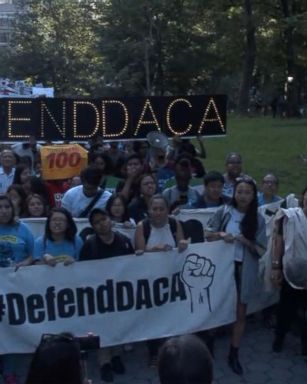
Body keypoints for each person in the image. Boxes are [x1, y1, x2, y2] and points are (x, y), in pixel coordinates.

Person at [205, 177, 267, 375]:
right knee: (216, 307)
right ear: (234, 193)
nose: (242, 196)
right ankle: (209, 347)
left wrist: (245, 241)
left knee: (240, 313)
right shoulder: (224, 211)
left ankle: (234, 353)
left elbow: (261, 249)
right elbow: (207, 232)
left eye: (247, 192)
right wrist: (221, 235)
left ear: (253, 196)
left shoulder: (258, 219)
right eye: (239, 191)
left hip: (243, 269)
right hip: (223, 268)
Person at [79, 208, 134, 383]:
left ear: (110, 219)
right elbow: (82, 271)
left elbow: (134, 267)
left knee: (118, 325)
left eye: (103, 219)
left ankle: (116, 355)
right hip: (98, 295)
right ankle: (105, 363)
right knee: (102, 327)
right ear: (93, 227)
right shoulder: (89, 244)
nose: (101, 224)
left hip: (119, 294)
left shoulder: (124, 241)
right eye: (97, 222)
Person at [135, 194, 188, 365]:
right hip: (151, 280)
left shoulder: (174, 223)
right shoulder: (142, 227)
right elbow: (138, 252)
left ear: (167, 210)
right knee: (153, 317)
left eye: (161, 209)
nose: (158, 212)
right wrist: (155, 249)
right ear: (149, 210)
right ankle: (154, 352)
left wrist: (182, 245)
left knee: (173, 315)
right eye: (154, 209)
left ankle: (175, 349)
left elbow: (181, 244)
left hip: (172, 279)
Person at [0, 195, 34, 384]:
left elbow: (32, 254)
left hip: (16, 286)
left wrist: (24, 264)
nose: (3, 210)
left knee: (11, 327)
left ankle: (10, 372)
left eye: (6, 207)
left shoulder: (22, 229)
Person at [271, 186, 307, 355]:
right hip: (290, 272)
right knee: (285, 308)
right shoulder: (291, 216)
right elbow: (279, 241)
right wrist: (276, 266)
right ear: (303, 197)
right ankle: (279, 339)